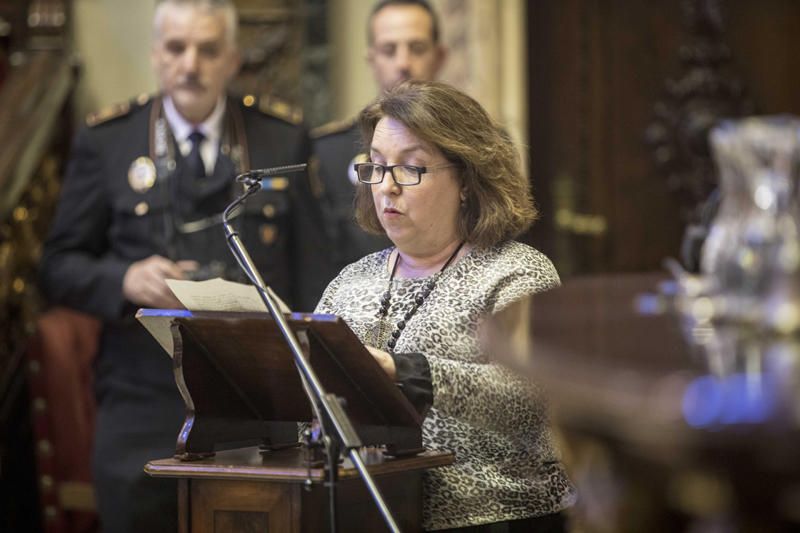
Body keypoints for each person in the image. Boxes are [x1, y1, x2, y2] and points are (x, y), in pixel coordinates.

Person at [38, 0, 327, 531]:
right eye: (176, 48)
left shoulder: (282, 138)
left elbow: (314, 275)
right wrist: (124, 279)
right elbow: (56, 267)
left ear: (233, 58)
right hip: (142, 392)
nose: (190, 64)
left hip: (257, 392)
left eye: (208, 49)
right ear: (156, 54)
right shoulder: (109, 141)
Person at [315, 80, 576, 532]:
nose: (387, 188)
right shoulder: (349, 282)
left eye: (411, 168)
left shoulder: (518, 274)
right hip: (369, 513)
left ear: (466, 180)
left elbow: (530, 397)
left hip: (499, 517)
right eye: (376, 167)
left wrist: (407, 372)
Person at [312, 0, 446, 275]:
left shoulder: (477, 147)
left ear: (439, 56)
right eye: (389, 50)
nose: (403, 63)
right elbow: (315, 263)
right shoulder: (329, 153)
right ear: (371, 59)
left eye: (417, 48)